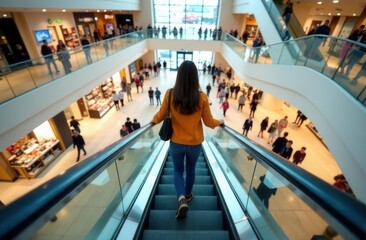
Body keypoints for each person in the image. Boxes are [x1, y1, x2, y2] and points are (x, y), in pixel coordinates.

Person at [151, 60, 223, 219]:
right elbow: (209, 123)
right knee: (190, 170)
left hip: (176, 143)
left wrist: (151, 122)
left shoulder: (170, 94)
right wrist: (220, 122)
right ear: (195, 77)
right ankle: (189, 195)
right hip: (195, 144)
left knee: (177, 170)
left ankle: (181, 197)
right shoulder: (202, 97)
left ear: (179, 76)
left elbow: (161, 115)